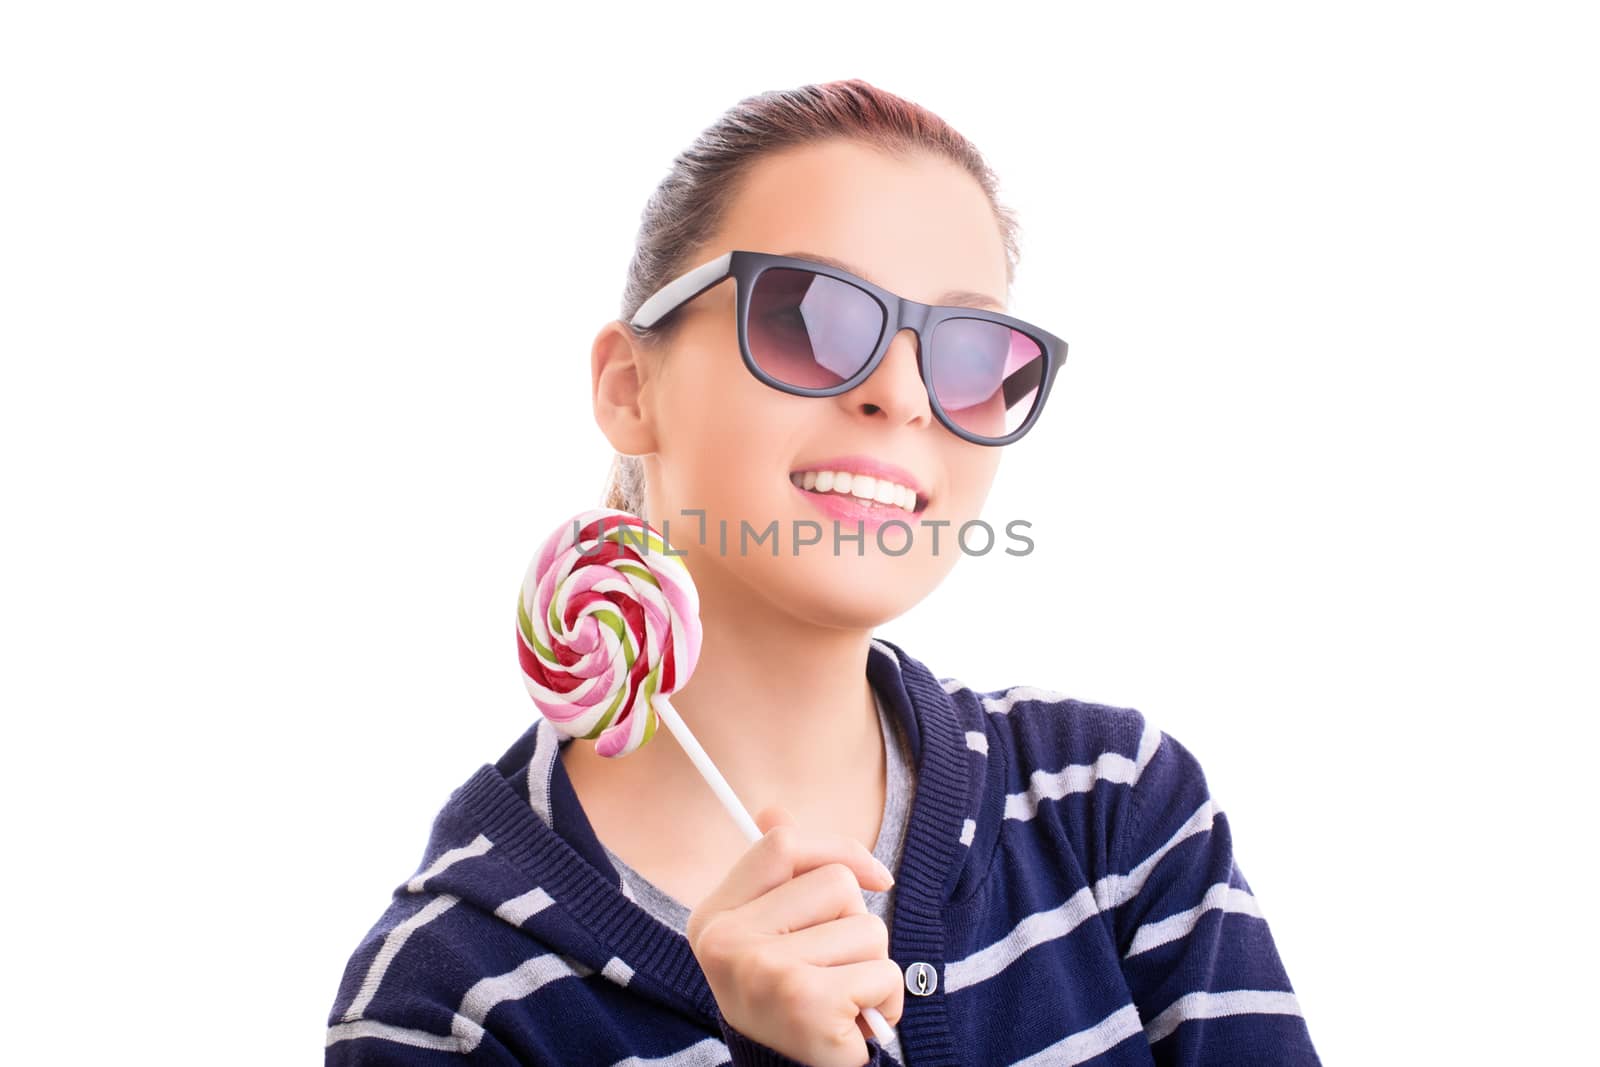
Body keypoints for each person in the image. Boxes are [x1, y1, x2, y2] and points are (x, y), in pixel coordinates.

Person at [324, 78, 1322, 1067]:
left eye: (969, 352)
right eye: (807, 316)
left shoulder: (1113, 810)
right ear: (631, 386)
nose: (900, 392)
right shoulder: (453, 996)